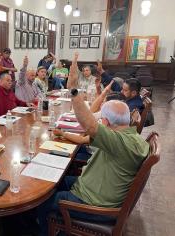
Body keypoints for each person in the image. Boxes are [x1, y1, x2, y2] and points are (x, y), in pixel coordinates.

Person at [37, 53, 149, 236]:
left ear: (107, 123)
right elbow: (91, 120)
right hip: (95, 189)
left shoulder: (119, 141)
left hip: (95, 204)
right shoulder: (129, 136)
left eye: (102, 120)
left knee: (43, 201)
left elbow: (89, 124)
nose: (100, 122)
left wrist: (73, 89)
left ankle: (42, 230)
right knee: (56, 181)